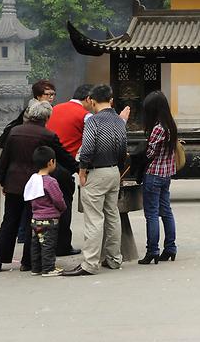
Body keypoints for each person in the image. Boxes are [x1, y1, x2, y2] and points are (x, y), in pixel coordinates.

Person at [0, 101, 77, 273]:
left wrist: (2, 180)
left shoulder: (14, 132)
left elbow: (4, 160)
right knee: (32, 220)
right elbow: (62, 156)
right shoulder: (48, 135)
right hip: (35, 184)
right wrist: (79, 167)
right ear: (47, 117)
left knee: (9, 221)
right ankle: (27, 262)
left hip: (13, 182)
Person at [63, 84, 127, 276]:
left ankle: (90, 263)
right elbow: (123, 147)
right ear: (111, 100)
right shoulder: (118, 121)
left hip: (96, 172)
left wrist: (82, 170)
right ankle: (114, 259)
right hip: (113, 170)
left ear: (91, 100)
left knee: (94, 219)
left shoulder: (93, 121)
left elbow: (88, 147)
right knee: (112, 215)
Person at [46, 84, 94, 256]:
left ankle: (46, 244)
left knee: (46, 206)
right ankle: (62, 246)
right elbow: (91, 143)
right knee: (64, 206)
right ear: (88, 99)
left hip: (46, 165)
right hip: (65, 166)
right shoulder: (86, 116)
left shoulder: (55, 108)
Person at [138, 91, 179, 265]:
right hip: (166, 175)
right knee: (166, 212)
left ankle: (152, 251)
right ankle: (170, 248)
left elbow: (150, 153)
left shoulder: (157, 129)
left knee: (152, 214)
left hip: (153, 175)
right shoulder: (171, 126)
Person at [24, 146, 66, 276]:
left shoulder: (32, 179)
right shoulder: (50, 182)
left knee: (36, 244)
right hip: (49, 219)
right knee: (48, 245)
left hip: (35, 218)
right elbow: (58, 199)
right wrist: (63, 208)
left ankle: (36, 268)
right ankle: (48, 268)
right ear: (50, 162)